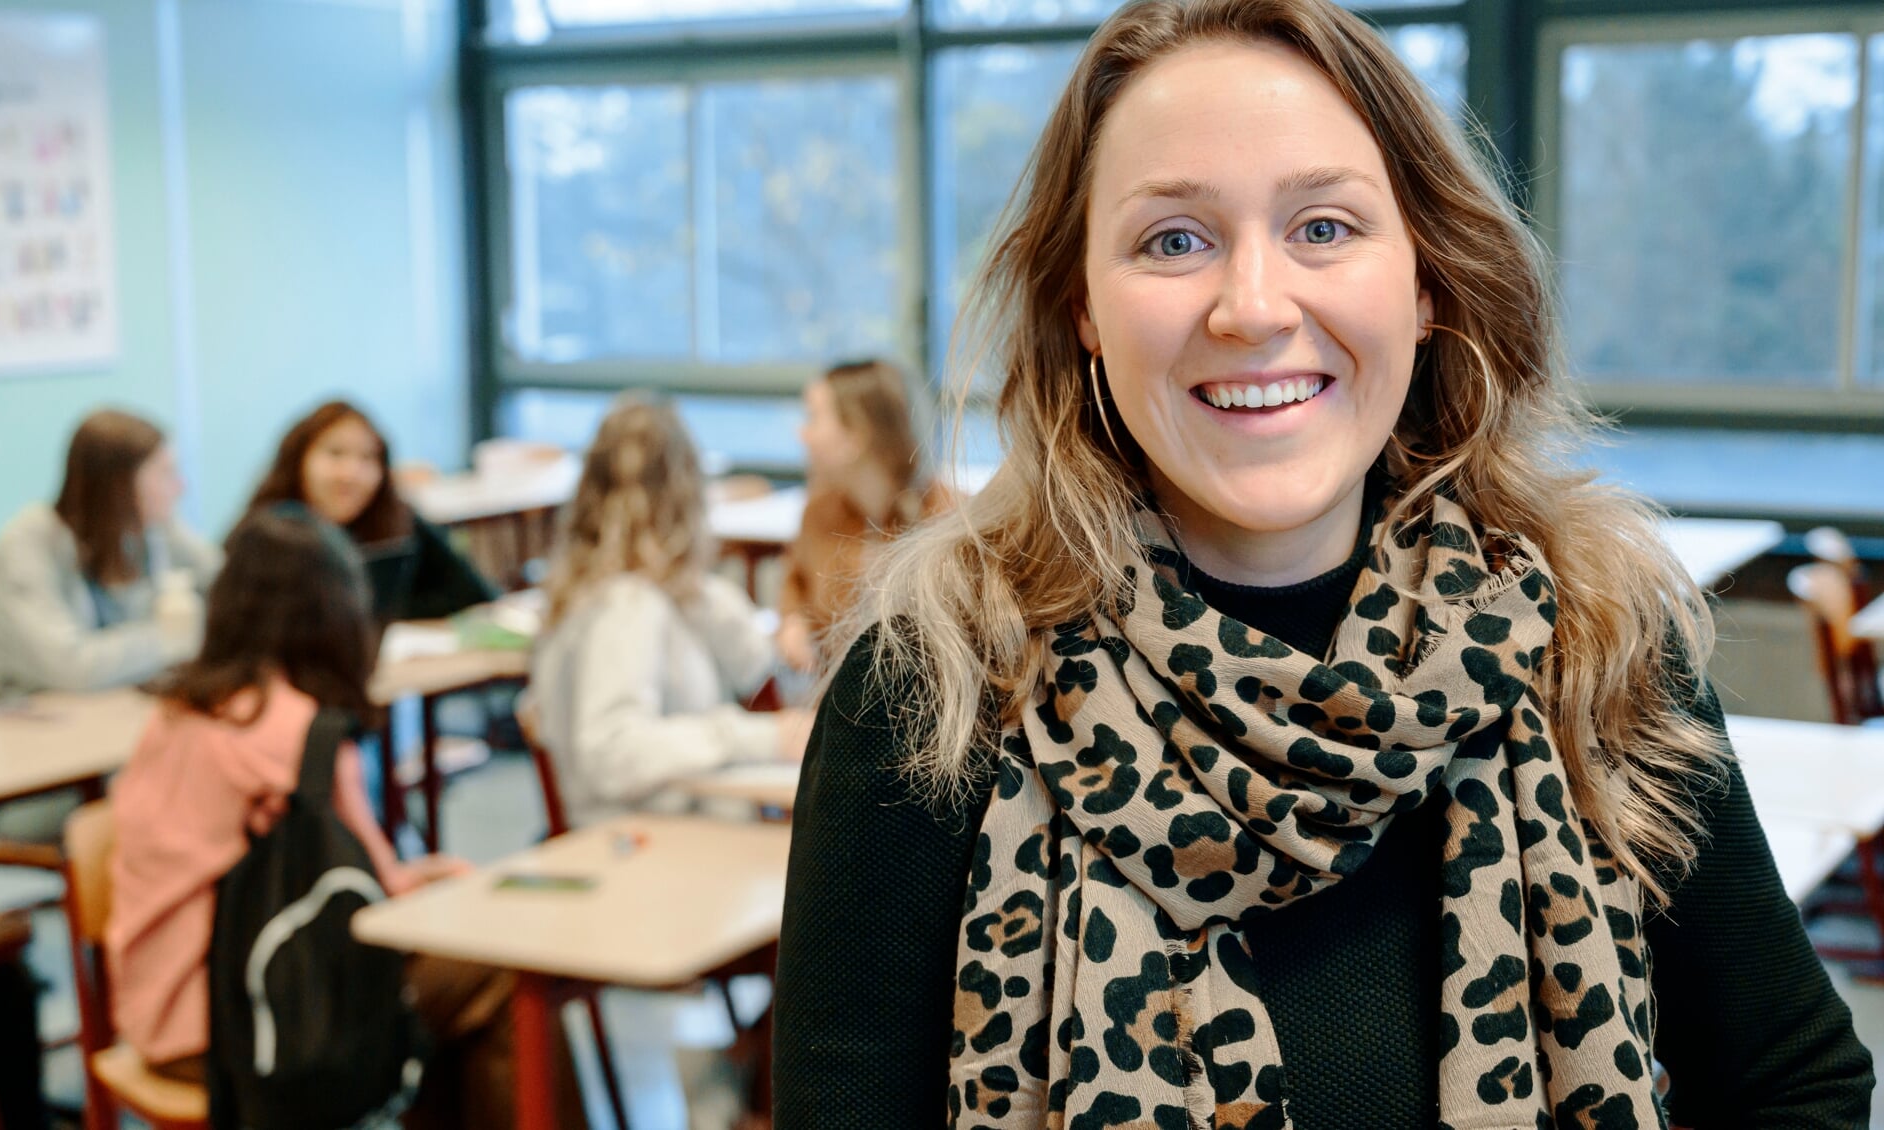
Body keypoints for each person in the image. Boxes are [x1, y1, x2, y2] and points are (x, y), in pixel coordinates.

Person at [773, 2, 1874, 1127]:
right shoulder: (932, 690)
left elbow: (1798, 1085)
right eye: (1173, 239)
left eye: (1325, 227)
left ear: (1427, 280)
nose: (1254, 307)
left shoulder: (1597, 637)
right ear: (1084, 307)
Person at [106, 505, 581, 1128]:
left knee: (446, 996)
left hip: (154, 1011)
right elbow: (376, 905)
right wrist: (450, 885)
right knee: (499, 979)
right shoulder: (300, 734)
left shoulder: (176, 712)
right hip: (249, 1030)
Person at [528, 394, 811, 830]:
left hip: (661, 834)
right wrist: (758, 738)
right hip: (645, 842)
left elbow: (756, 668)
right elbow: (611, 752)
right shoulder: (626, 605)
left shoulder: (651, 593)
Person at [0, 408, 218, 698]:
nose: (180, 487)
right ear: (121, 484)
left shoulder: (155, 528)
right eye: (165, 473)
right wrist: (175, 637)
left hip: (116, 705)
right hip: (35, 720)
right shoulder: (29, 540)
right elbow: (70, 667)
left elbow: (230, 586)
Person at [244, 400, 496, 624]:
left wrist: (384, 617)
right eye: (335, 453)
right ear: (298, 460)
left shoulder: (395, 520)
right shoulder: (268, 531)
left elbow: (475, 592)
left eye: (367, 458)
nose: (351, 474)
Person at [776, 360, 953, 673]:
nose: (801, 434)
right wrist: (793, 623)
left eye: (813, 418)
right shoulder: (819, 514)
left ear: (856, 435)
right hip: (837, 701)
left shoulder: (947, 520)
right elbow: (796, 584)